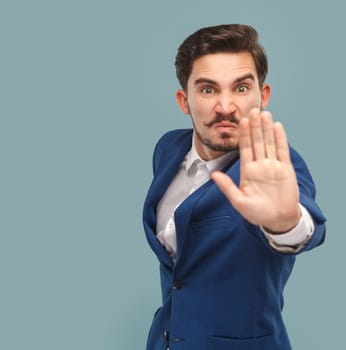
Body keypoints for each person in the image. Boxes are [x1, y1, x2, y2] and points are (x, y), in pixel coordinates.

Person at [142, 24, 326, 350]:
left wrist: (284, 223)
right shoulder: (167, 149)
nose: (226, 107)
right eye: (208, 90)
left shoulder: (278, 165)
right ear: (184, 100)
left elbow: (306, 226)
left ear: (262, 96)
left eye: (241, 88)